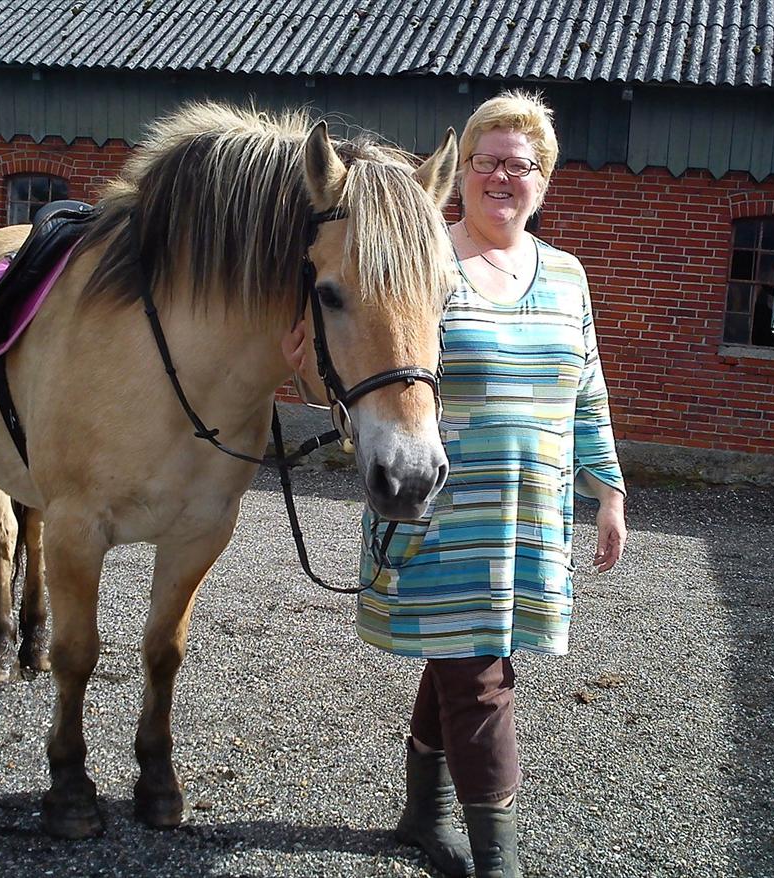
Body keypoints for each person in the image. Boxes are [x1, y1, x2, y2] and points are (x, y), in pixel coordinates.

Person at [284, 91, 627, 878]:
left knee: (466, 657)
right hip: (435, 512)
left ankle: (421, 815)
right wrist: (301, 366)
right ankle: (498, 864)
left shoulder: (566, 275)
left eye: (521, 164)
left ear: (544, 179)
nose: (502, 176)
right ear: (460, 173)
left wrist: (608, 488)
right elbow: (350, 349)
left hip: (529, 516)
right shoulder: (417, 257)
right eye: (486, 160)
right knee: (481, 680)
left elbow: (587, 391)